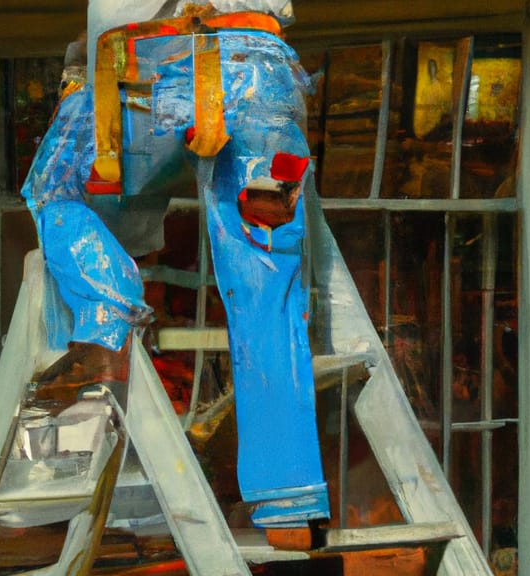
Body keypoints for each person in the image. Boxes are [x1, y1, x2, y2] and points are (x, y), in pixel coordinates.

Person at [20, 0, 329, 529]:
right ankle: (290, 506)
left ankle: (105, 310)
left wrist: (77, 72)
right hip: (263, 81)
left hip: (154, 78)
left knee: (55, 186)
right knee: (266, 275)